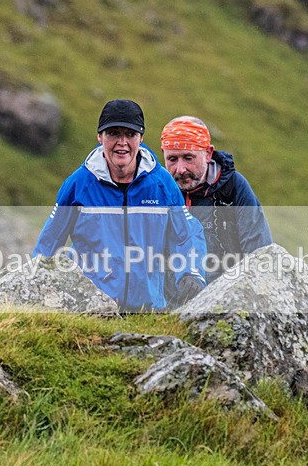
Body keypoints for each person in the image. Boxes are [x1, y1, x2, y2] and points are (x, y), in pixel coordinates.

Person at [33, 99, 207, 312]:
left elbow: (187, 234)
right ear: (100, 137)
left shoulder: (162, 184)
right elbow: (49, 243)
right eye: (114, 133)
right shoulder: (78, 184)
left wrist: (191, 272)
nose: (122, 142)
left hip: (148, 312)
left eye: (130, 134)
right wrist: (32, 288)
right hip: (88, 311)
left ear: (141, 138)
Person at [160, 116, 272, 283]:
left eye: (188, 158)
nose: (180, 169)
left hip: (224, 296)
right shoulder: (157, 190)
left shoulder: (233, 187)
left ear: (208, 153)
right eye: (172, 159)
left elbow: (260, 253)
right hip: (167, 301)